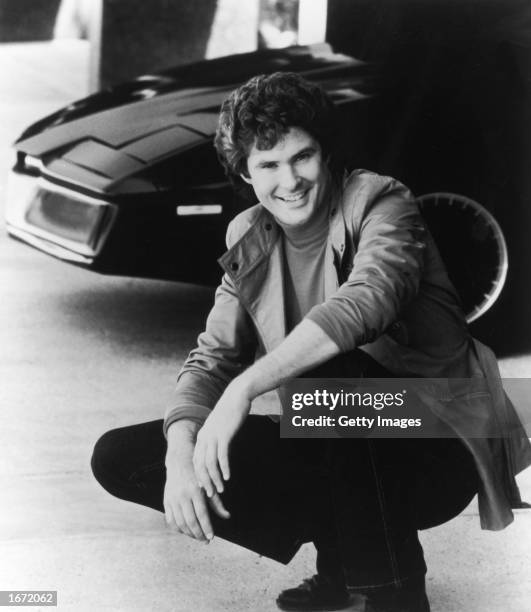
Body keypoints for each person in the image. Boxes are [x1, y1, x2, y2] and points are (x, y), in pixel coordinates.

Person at [91, 72, 531, 612]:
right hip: (341, 450)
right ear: (245, 173)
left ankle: (396, 593)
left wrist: (243, 391)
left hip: (436, 444)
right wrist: (181, 450)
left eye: (303, 156)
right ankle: (345, 570)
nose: (290, 180)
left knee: (337, 379)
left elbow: (366, 302)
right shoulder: (248, 235)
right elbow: (212, 357)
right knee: (123, 456)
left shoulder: (381, 201)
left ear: (326, 154)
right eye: (268, 165)